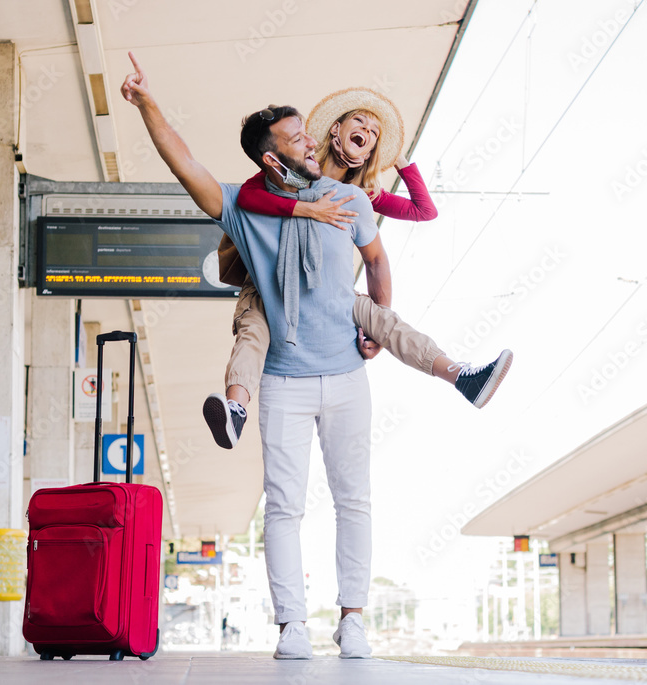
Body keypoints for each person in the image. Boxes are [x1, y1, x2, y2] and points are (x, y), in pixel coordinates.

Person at [121, 53, 380, 659]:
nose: (310, 141)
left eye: (307, 132)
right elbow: (184, 161)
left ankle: (353, 619)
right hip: (285, 381)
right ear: (272, 157)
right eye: (296, 138)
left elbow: (377, 259)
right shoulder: (239, 203)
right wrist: (146, 104)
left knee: (354, 500)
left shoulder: (343, 198)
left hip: (346, 373)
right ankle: (293, 626)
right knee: (284, 507)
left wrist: (374, 328)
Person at [203, 87, 513, 449]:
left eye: (375, 135)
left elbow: (421, 214)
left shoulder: (362, 195)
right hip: (269, 280)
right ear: (335, 130)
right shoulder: (298, 164)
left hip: (324, 291)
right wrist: (308, 209)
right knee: (254, 328)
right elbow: (247, 195)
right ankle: (236, 409)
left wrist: (399, 159)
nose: (367, 131)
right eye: (359, 121)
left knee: (383, 319)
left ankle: (462, 377)